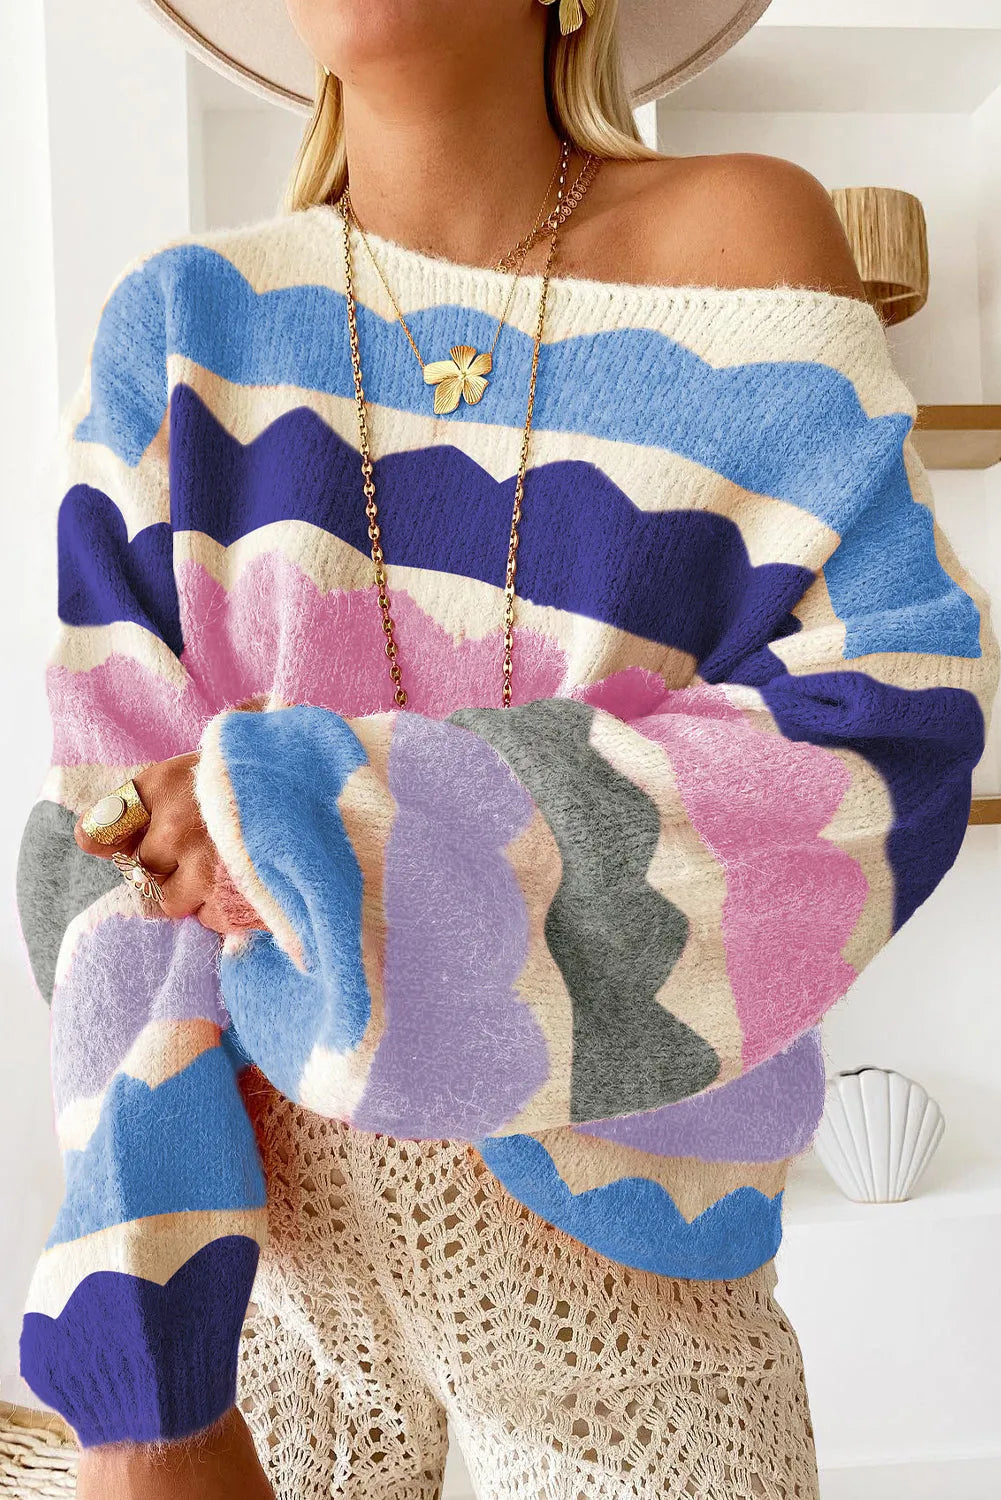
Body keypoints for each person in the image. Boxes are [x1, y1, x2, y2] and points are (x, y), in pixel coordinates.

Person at [15, 1, 997, 1497]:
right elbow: (103, 838)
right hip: (280, 1283)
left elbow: (887, 729)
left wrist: (320, 818)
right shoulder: (185, 324)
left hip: (633, 1292)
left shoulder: (741, 237)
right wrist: (152, 1396)